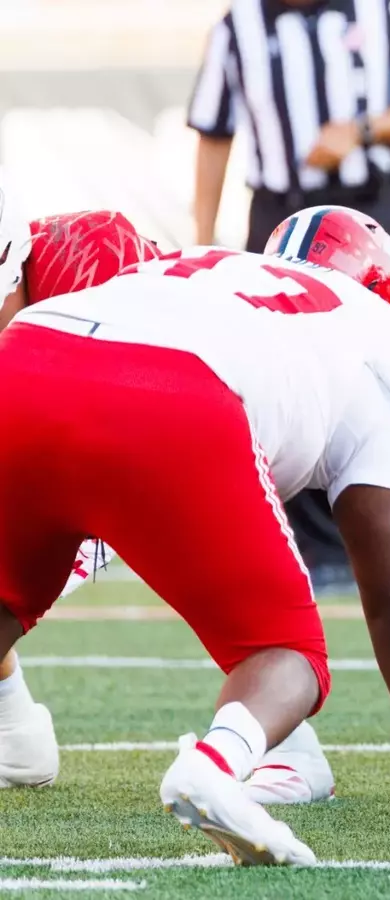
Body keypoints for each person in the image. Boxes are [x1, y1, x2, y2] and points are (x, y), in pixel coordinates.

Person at [0, 207, 390, 861]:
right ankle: (214, 764)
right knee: (287, 651)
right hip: (172, 389)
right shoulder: (378, 343)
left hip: (30, 350)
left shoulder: (214, 271)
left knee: (9, 602)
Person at [188, 0, 390, 596]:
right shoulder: (238, 26)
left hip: (368, 206)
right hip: (279, 214)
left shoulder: (383, 13)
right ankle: (314, 551)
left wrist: (360, 132)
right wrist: (203, 238)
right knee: (283, 376)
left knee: (389, 366)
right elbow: (213, 133)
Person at [0, 183, 164, 790]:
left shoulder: (93, 255)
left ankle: (287, 746)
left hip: (148, 429)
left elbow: (140, 412)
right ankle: (16, 736)